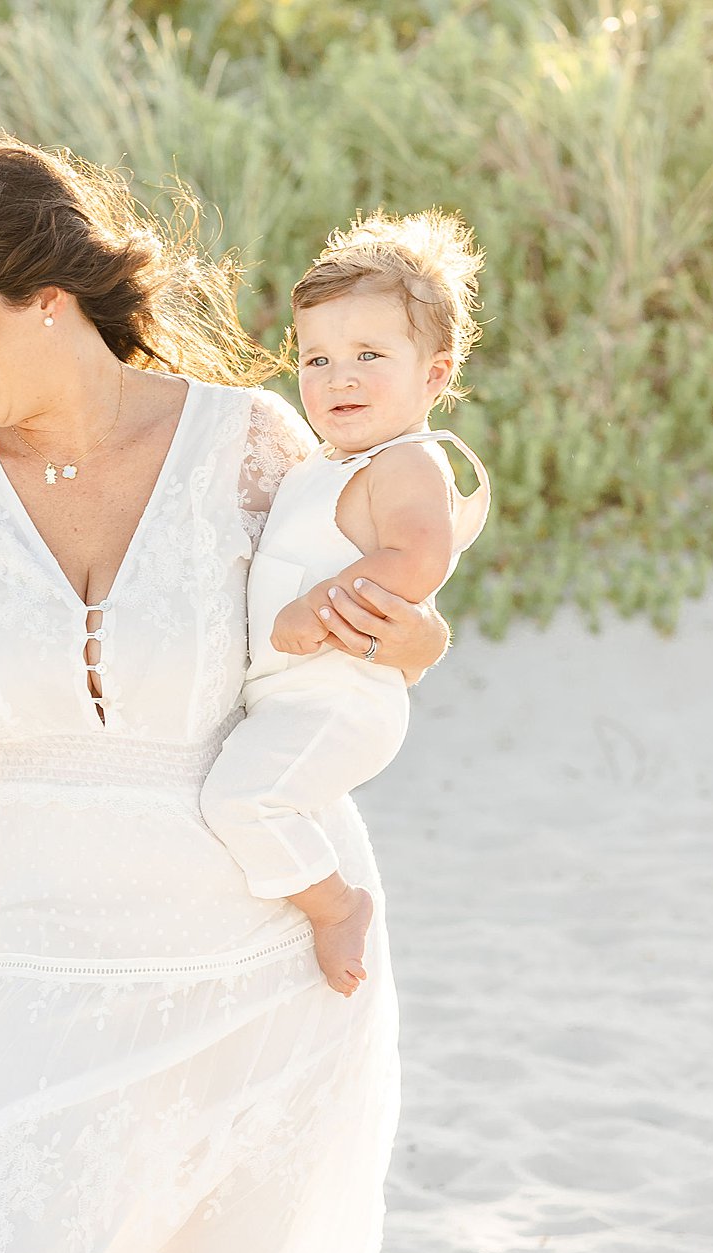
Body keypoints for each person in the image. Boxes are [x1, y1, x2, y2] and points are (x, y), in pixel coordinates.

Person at [0, 136, 452, 1253]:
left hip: (263, 960)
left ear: (48, 300)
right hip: (40, 971)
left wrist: (414, 642)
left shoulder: (249, 445)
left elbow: (345, 652)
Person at [201, 210, 492, 997]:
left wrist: (321, 606)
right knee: (246, 792)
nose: (339, 378)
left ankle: (336, 908)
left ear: (435, 375)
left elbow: (418, 557)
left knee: (241, 797)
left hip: (342, 699)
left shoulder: (408, 464)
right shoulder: (326, 466)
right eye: (318, 358)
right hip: (298, 694)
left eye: (370, 355)